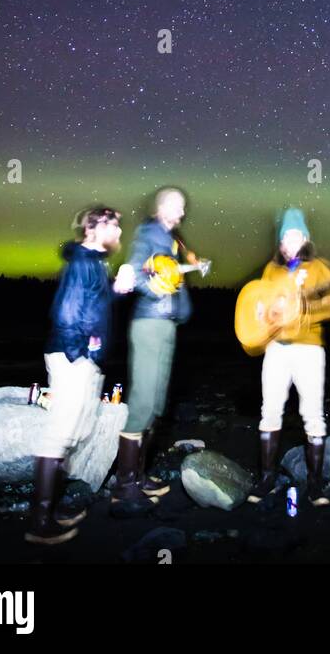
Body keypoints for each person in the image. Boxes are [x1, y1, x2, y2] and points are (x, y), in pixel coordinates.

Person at [25, 205, 122, 545]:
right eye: (115, 227)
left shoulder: (93, 263)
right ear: (94, 229)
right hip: (72, 357)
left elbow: (92, 307)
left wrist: (117, 290)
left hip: (82, 358)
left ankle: (51, 511)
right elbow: (66, 314)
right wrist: (83, 355)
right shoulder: (82, 261)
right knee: (59, 433)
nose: (120, 234)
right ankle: (39, 523)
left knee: (75, 432)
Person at [247, 209, 330, 508]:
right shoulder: (271, 270)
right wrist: (261, 313)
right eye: (285, 237)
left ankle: (315, 486)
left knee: (313, 415)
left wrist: (304, 310)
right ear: (280, 242)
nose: (290, 242)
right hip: (276, 347)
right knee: (270, 411)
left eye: (295, 236)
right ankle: (267, 479)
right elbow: (259, 303)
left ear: (305, 238)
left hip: (308, 348)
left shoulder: (317, 269)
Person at [110, 186, 196, 515]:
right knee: (143, 400)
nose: (182, 213)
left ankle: (139, 475)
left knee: (157, 402)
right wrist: (155, 291)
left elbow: (167, 275)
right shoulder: (149, 232)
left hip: (166, 325)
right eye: (176, 206)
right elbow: (135, 270)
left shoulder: (173, 240)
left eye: (183, 208)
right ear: (161, 208)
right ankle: (124, 487)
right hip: (149, 324)